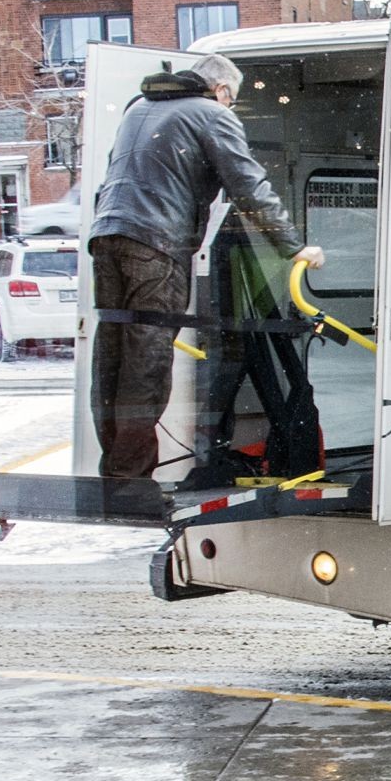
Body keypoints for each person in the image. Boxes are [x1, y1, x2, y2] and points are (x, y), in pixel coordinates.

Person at [89, 53, 325, 479]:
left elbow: (117, 178)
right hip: (157, 243)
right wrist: (294, 247)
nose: (230, 106)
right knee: (148, 358)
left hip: (107, 236)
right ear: (221, 91)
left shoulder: (137, 110)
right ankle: (129, 475)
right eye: (231, 99)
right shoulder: (212, 115)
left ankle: (115, 466)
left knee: (113, 353)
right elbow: (248, 187)